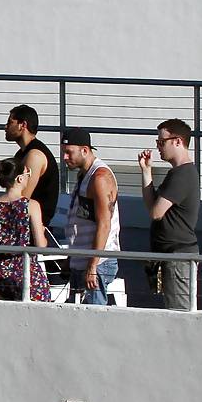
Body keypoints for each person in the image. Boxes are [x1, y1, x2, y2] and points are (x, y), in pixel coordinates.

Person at [139, 119, 200, 310]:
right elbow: (152, 208)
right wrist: (146, 172)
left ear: (177, 141)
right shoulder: (177, 173)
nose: (158, 147)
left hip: (178, 257)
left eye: (161, 142)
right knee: (173, 313)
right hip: (171, 256)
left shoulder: (183, 174)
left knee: (180, 315)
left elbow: (156, 212)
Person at [61, 128, 121, 305]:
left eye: (69, 152)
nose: (65, 158)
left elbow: (104, 224)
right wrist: (71, 256)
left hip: (97, 262)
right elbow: (81, 220)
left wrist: (93, 265)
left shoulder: (100, 177)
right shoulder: (84, 174)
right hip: (82, 258)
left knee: (94, 317)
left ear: (85, 150)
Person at [0, 157, 51, 302]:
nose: (28, 178)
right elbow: (41, 246)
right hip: (24, 271)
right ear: (19, 179)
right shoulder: (31, 205)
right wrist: (43, 233)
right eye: (28, 174)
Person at [5, 104, 60, 227]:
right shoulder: (21, 154)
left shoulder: (34, 156)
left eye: (10, 122)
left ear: (22, 125)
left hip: (33, 227)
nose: (5, 127)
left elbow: (21, 198)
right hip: (22, 221)